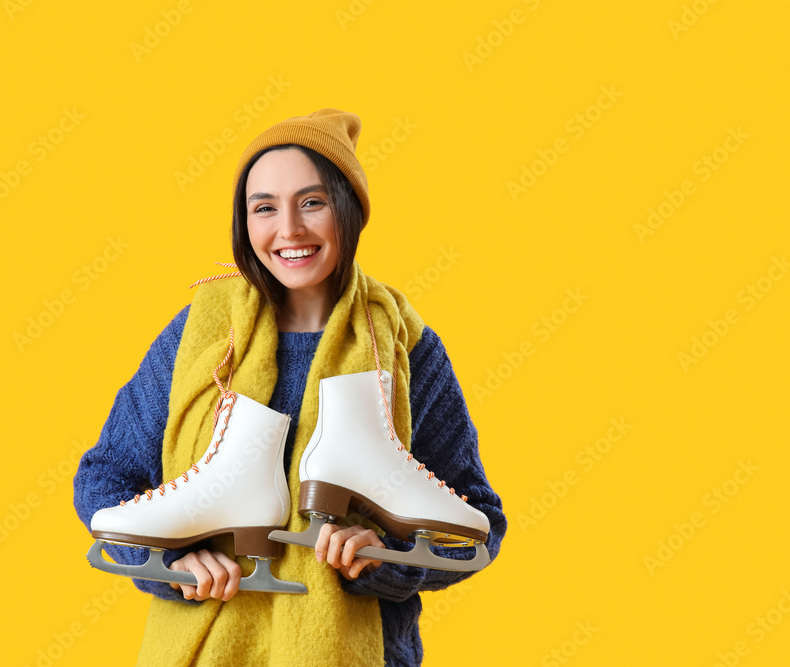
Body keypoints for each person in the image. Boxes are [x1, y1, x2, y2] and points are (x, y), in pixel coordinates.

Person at [73, 108, 506, 666]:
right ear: (244, 223)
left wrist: (388, 558)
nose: (289, 230)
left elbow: (478, 522)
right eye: (264, 208)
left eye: (312, 203)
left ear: (347, 212)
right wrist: (171, 564)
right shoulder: (199, 337)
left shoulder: (405, 349)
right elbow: (105, 479)